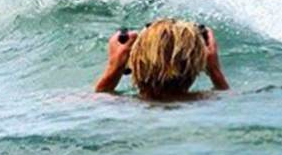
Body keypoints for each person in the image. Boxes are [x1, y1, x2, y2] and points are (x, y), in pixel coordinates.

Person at [95, 19, 229, 100]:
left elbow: (98, 101)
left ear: (135, 60)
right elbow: (226, 98)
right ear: (198, 62)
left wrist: (114, 68)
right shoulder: (208, 101)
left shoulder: (119, 105)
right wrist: (215, 70)